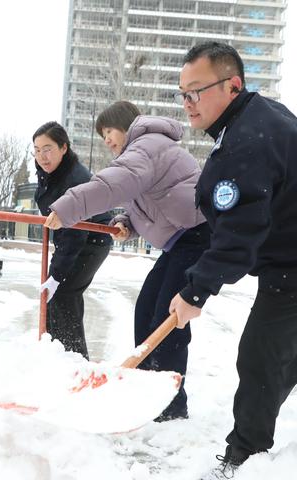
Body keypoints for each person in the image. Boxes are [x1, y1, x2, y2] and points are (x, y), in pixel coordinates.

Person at [169, 41, 297, 479]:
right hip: (288, 260)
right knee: (280, 353)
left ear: (232, 85)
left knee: (260, 357)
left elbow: (240, 231)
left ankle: (243, 458)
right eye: (182, 93)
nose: (187, 103)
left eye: (196, 91)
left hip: (291, 268)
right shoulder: (256, 120)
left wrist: (196, 289)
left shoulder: (247, 140)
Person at [45, 101, 209, 421]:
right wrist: (127, 223)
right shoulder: (143, 152)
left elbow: (112, 183)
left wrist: (67, 208)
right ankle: (147, 390)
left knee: (167, 318)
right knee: (147, 309)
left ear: (126, 125)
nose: (106, 140)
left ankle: (170, 405)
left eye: (108, 131)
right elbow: (144, 202)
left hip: (197, 236)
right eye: (102, 135)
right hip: (181, 242)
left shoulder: (146, 145)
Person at [33, 121, 112, 360]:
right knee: (58, 299)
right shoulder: (53, 173)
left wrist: (56, 274)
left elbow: (75, 234)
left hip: (90, 243)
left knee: (64, 296)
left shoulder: (74, 179)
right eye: (36, 150)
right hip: (73, 240)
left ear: (63, 148)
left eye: (47, 149)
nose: (41, 156)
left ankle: (76, 360)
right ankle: (60, 356)